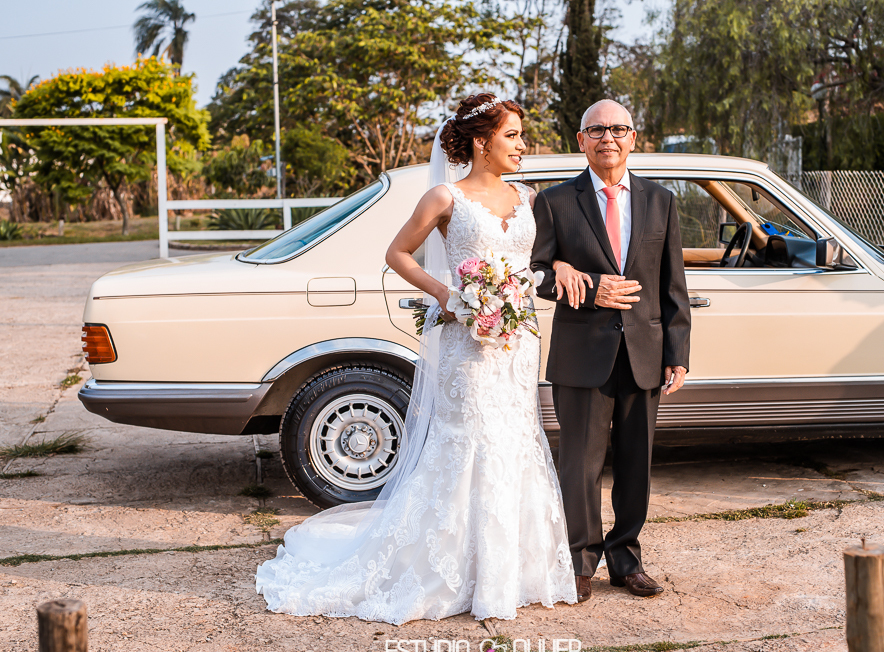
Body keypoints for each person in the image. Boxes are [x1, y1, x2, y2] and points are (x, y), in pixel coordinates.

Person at [255, 93, 576, 625]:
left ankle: (510, 573)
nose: (522, 145)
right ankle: (451, 571)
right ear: (482, 142)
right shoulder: (445, 198)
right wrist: (450, 296)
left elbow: (537, 256)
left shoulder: (529, 196)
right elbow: (397, 254)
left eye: (521, 135)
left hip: (518, 342)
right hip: (466, 342)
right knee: (470, 442)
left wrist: (555, 267)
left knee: (517, 438)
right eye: (513, 135)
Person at [530, 99, 692, 604]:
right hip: (582, 353)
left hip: (644, 351)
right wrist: (584, 284)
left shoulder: (660, 200)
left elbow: (673, 285)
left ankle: (626, 559)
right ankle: (579, 562)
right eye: (597, 130)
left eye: (619, 128)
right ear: (581, 140)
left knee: (635, 462)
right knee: (579, 463)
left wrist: (677, 351)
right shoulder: (555, 202)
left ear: (633, 137)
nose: (609, 138)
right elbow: (534, 275)